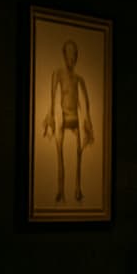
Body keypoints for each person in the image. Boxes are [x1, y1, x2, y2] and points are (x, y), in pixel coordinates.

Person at [42, 39, 94, 202]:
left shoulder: (79, 79)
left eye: (74, 56)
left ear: (76, 57)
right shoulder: (57, 74)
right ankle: (60, 190)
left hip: (75, 118)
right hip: (62, 117)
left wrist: (88, 122)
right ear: (64, 56)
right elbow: (52, 96)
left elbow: (86, 101)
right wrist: (50, 115)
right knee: (60, 154)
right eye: (68, 55)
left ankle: (77, 189)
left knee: (78, 154)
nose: (71, 60)